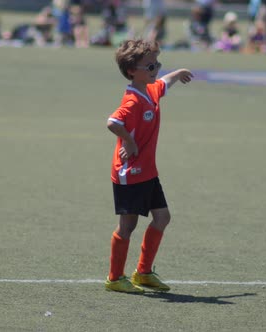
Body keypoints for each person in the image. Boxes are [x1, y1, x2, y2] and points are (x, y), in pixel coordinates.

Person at [105, 39, 193, 293]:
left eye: (157, 64)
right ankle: (114, 278)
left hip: (148, 171)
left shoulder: (151, 89)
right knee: (127, 227)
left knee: (162, 217)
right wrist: (129, 141)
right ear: (132, 70)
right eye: (150, 66)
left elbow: (165, 83)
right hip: (129, 172)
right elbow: (112, 122)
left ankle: (143, 273)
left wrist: (178, 73)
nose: (156, 70)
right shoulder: (133, 100)